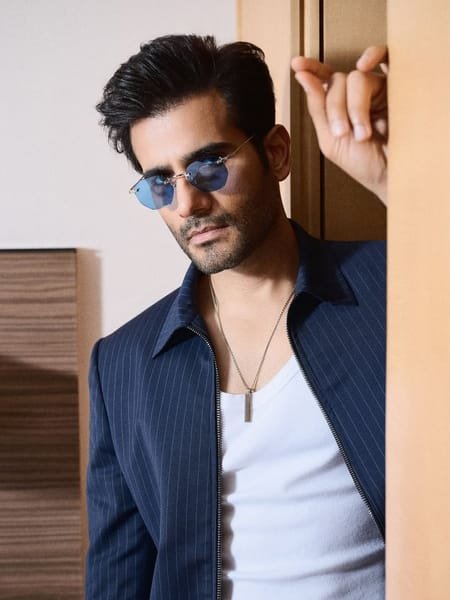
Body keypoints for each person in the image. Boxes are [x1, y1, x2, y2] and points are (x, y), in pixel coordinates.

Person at [87, 34, 388, 599]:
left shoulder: (392, 290)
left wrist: (392, 183)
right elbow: (118, 573)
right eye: (160, 182)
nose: (187, 204)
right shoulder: (123, 363)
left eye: (208, 167)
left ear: (276, 153)